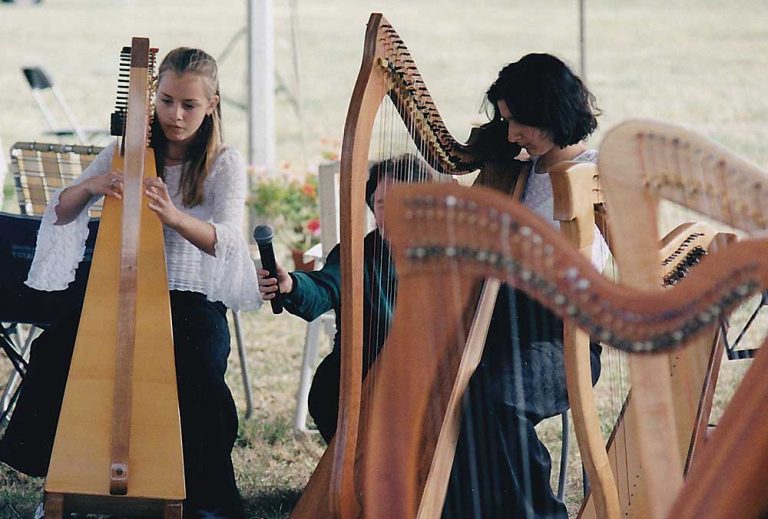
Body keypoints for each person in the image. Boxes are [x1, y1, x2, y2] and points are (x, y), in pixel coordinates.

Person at [0, 47, 260, 519]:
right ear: (151, 98)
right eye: (165, 101)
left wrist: (174, 216)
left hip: (189, 297)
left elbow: (225, 241)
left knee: (199, 364)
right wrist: (90, 188)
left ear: (213, 104)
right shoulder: (124, 151)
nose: (175, 115)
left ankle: (207, 498)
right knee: (57, 348)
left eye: (189, 105)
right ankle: (58, 476)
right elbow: (62, 209)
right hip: (119, 289)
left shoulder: (224, 162)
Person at [442, 53, 606, 519]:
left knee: (496, 400)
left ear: (551, 113)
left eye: (521, 122)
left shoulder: (594, 175)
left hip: (562, 338)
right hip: (504, 332)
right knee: (458, 401)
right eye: (506, 121)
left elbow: (589, 269)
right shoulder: (514, 171)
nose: (512, 134)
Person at [257, 153, 432, 442]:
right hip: (363, 376)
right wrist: (291, 284)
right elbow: (324, 287)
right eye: (380, 204)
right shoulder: (357, 255)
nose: (388, 215)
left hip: (424, 381)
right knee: (329, 390)